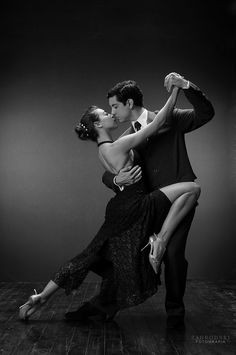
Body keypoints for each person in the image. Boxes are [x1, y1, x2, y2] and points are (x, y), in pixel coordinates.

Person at [18, 83, 201, 323]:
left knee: (90, 255)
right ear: (98, 125)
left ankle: (43, 297)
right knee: (193, 188)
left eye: (113, 107)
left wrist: (116, 177)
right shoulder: (120, 144)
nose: (111, 113)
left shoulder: (105, 148)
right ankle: (159, 244)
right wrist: (175, 91)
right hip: (136, 206)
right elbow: (156, 126)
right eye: (106, 112)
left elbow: (119, 161)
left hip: (120, 208)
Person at [101, 72, 214, 328]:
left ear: (129, 103)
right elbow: (107, 173)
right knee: (122, 253)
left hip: (180, 200)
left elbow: (206, 113)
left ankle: (175, 314)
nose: (113, 112)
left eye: (114, 106)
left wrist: (186, 86)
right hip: (147, 206)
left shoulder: (171, 118)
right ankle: (105, 306)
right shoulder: (127, 137)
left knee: (173, 254)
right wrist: (117, 181)